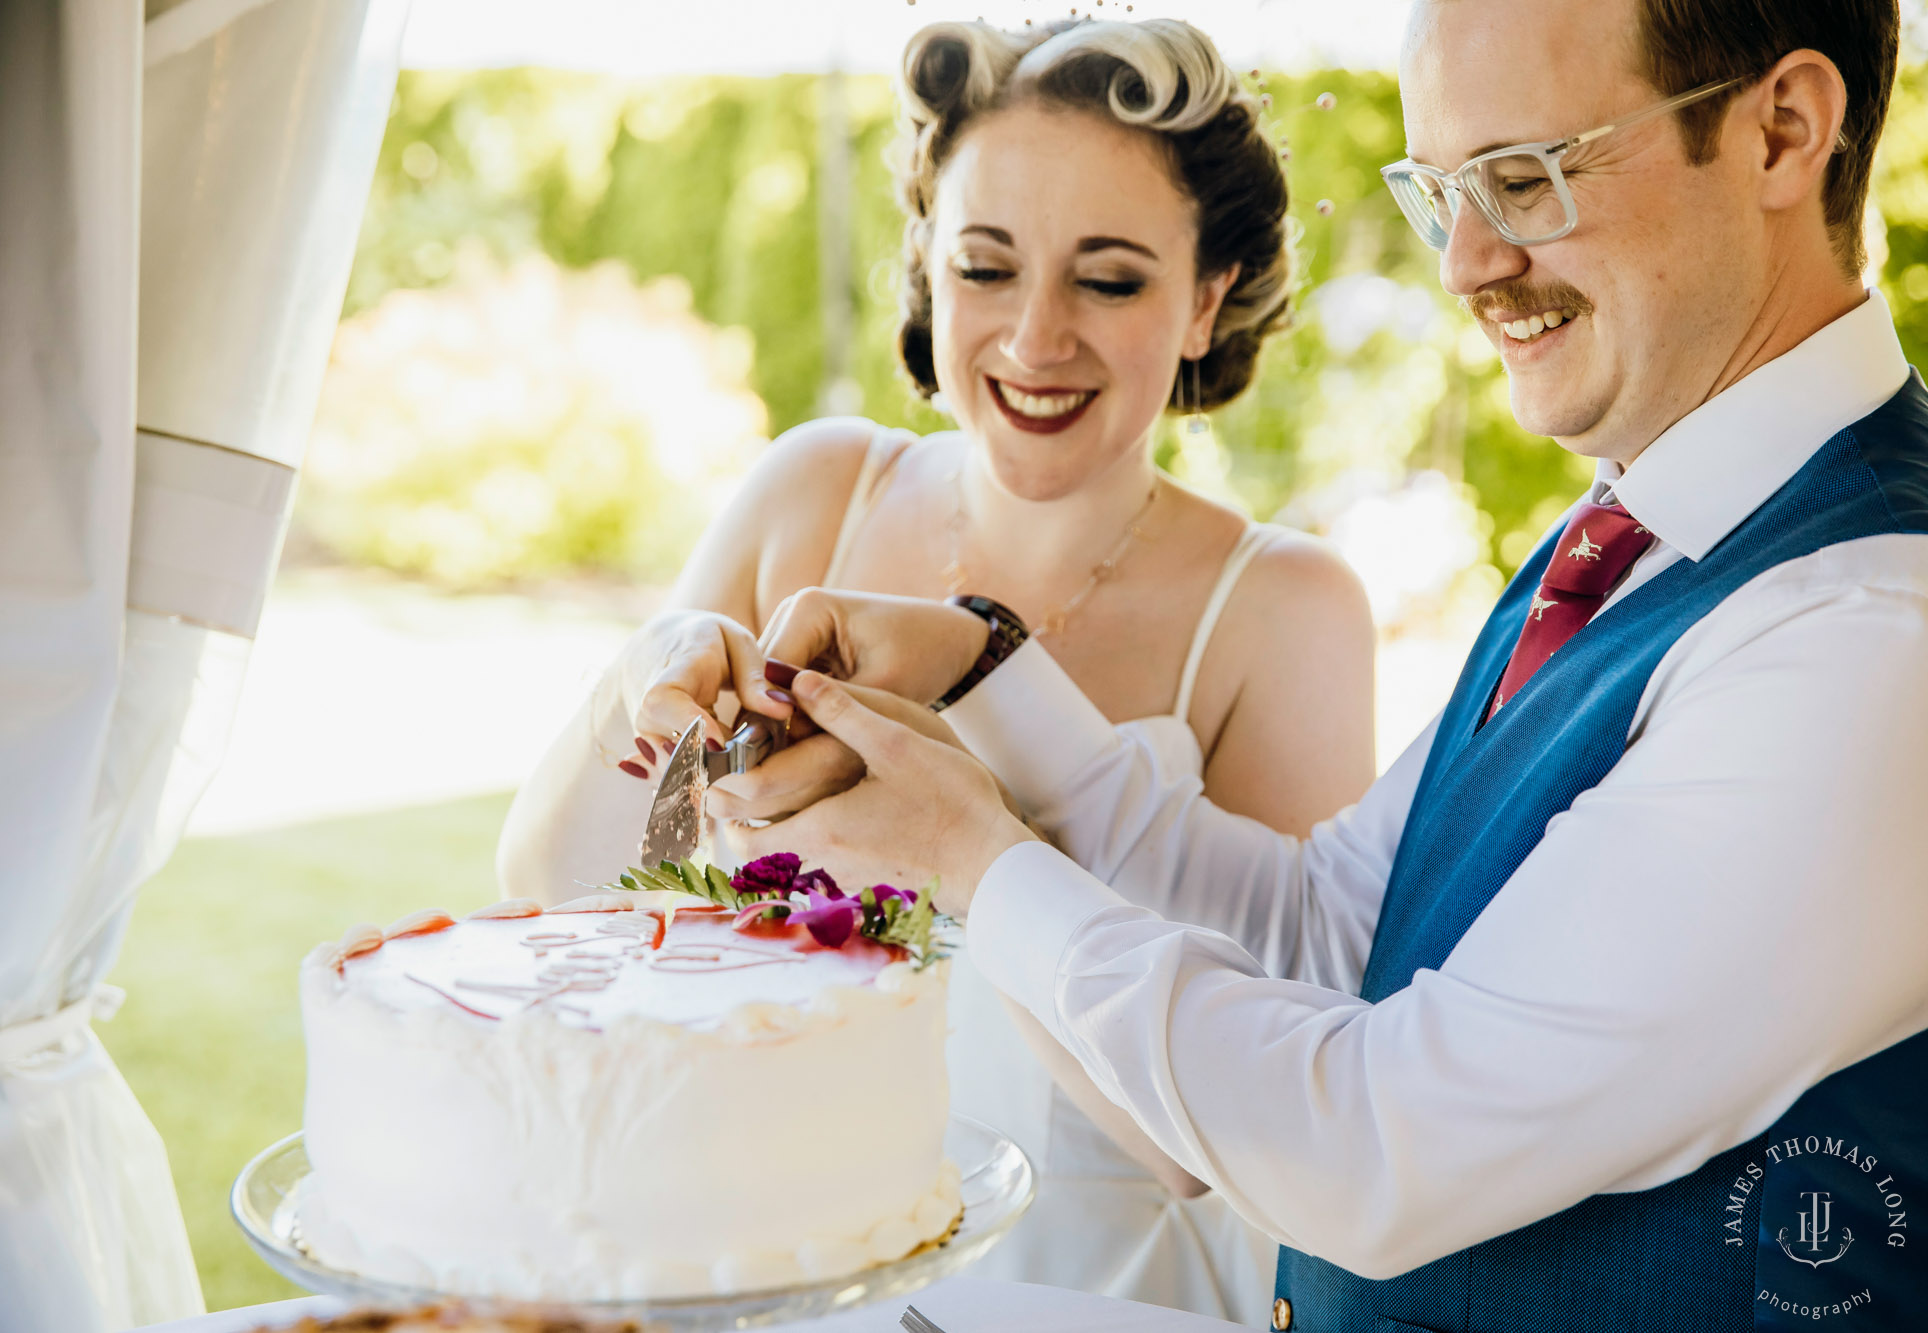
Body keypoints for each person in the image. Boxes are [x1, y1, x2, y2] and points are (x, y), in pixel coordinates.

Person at [725, 1, 1928, 1330]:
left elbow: (1374, 1148)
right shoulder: (1636, 535)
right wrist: (980, 674)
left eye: (1524, 180)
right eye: (1443, 191)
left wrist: (967, 853)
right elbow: (1326, 930)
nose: (1467, 264)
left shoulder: (1873, 635)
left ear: (1782, 131)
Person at [495, 18, 1376, 1321]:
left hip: (1086, 1290)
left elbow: (1213, 1139)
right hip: (764, 1258)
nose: (1034, 336)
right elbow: (558, 902)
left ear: (1206, 296)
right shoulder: (813, 491)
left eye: (1111, 279)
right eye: (986, 265)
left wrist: (968, 837)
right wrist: (646, 687)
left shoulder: (1285, 612)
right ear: (929, 266)